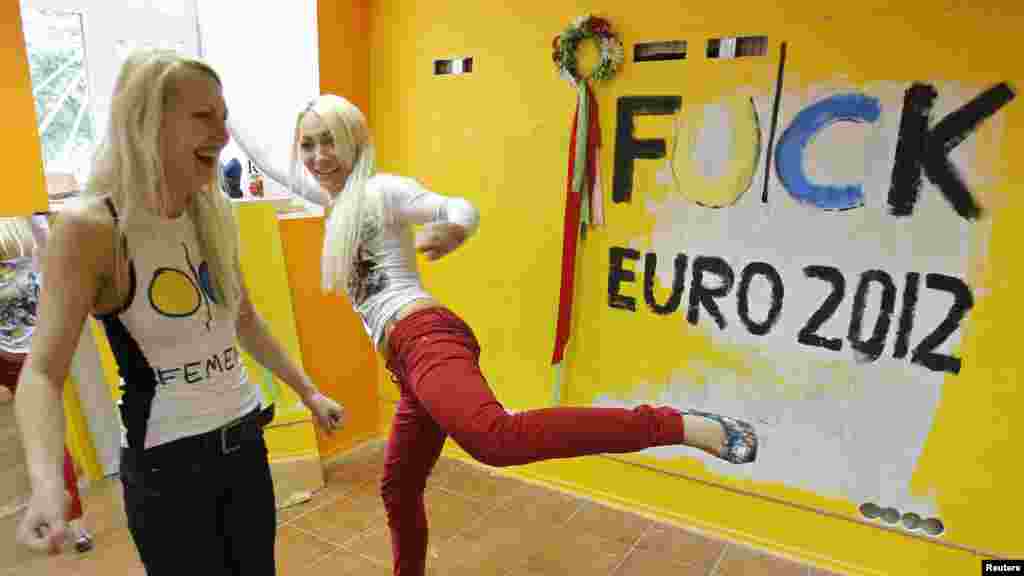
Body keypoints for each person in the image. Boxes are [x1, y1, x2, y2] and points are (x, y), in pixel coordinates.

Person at [230, 94, 759, 576]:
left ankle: (679, 426)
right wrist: (218, 109)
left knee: (495, 440)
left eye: (330, 142)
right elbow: (264, 154)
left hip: (425, 337)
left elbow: (457, 206)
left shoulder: (380, 191)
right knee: (398, 487)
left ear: (356, 143)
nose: (319, 156)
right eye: (309, 145)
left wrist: (455, 228)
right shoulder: (335, 204)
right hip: (409, 365)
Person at [14, 49, 344, 575]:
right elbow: (43, 371)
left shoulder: (210, 210)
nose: (223, 134)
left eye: (224, 118)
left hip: (243, 444)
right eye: (203, 117)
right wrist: (49, 484)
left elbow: (244, 321)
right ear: (148, 121)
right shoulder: (94, 225)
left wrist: (308, 390)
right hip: (168, 465)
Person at [0, 215, 93, 553]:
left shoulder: (31, 231)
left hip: (26, 355)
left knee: (51, 444)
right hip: (34, 350)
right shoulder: (34, 233)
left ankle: (76, 523)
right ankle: (77, 524)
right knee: (53, 442)